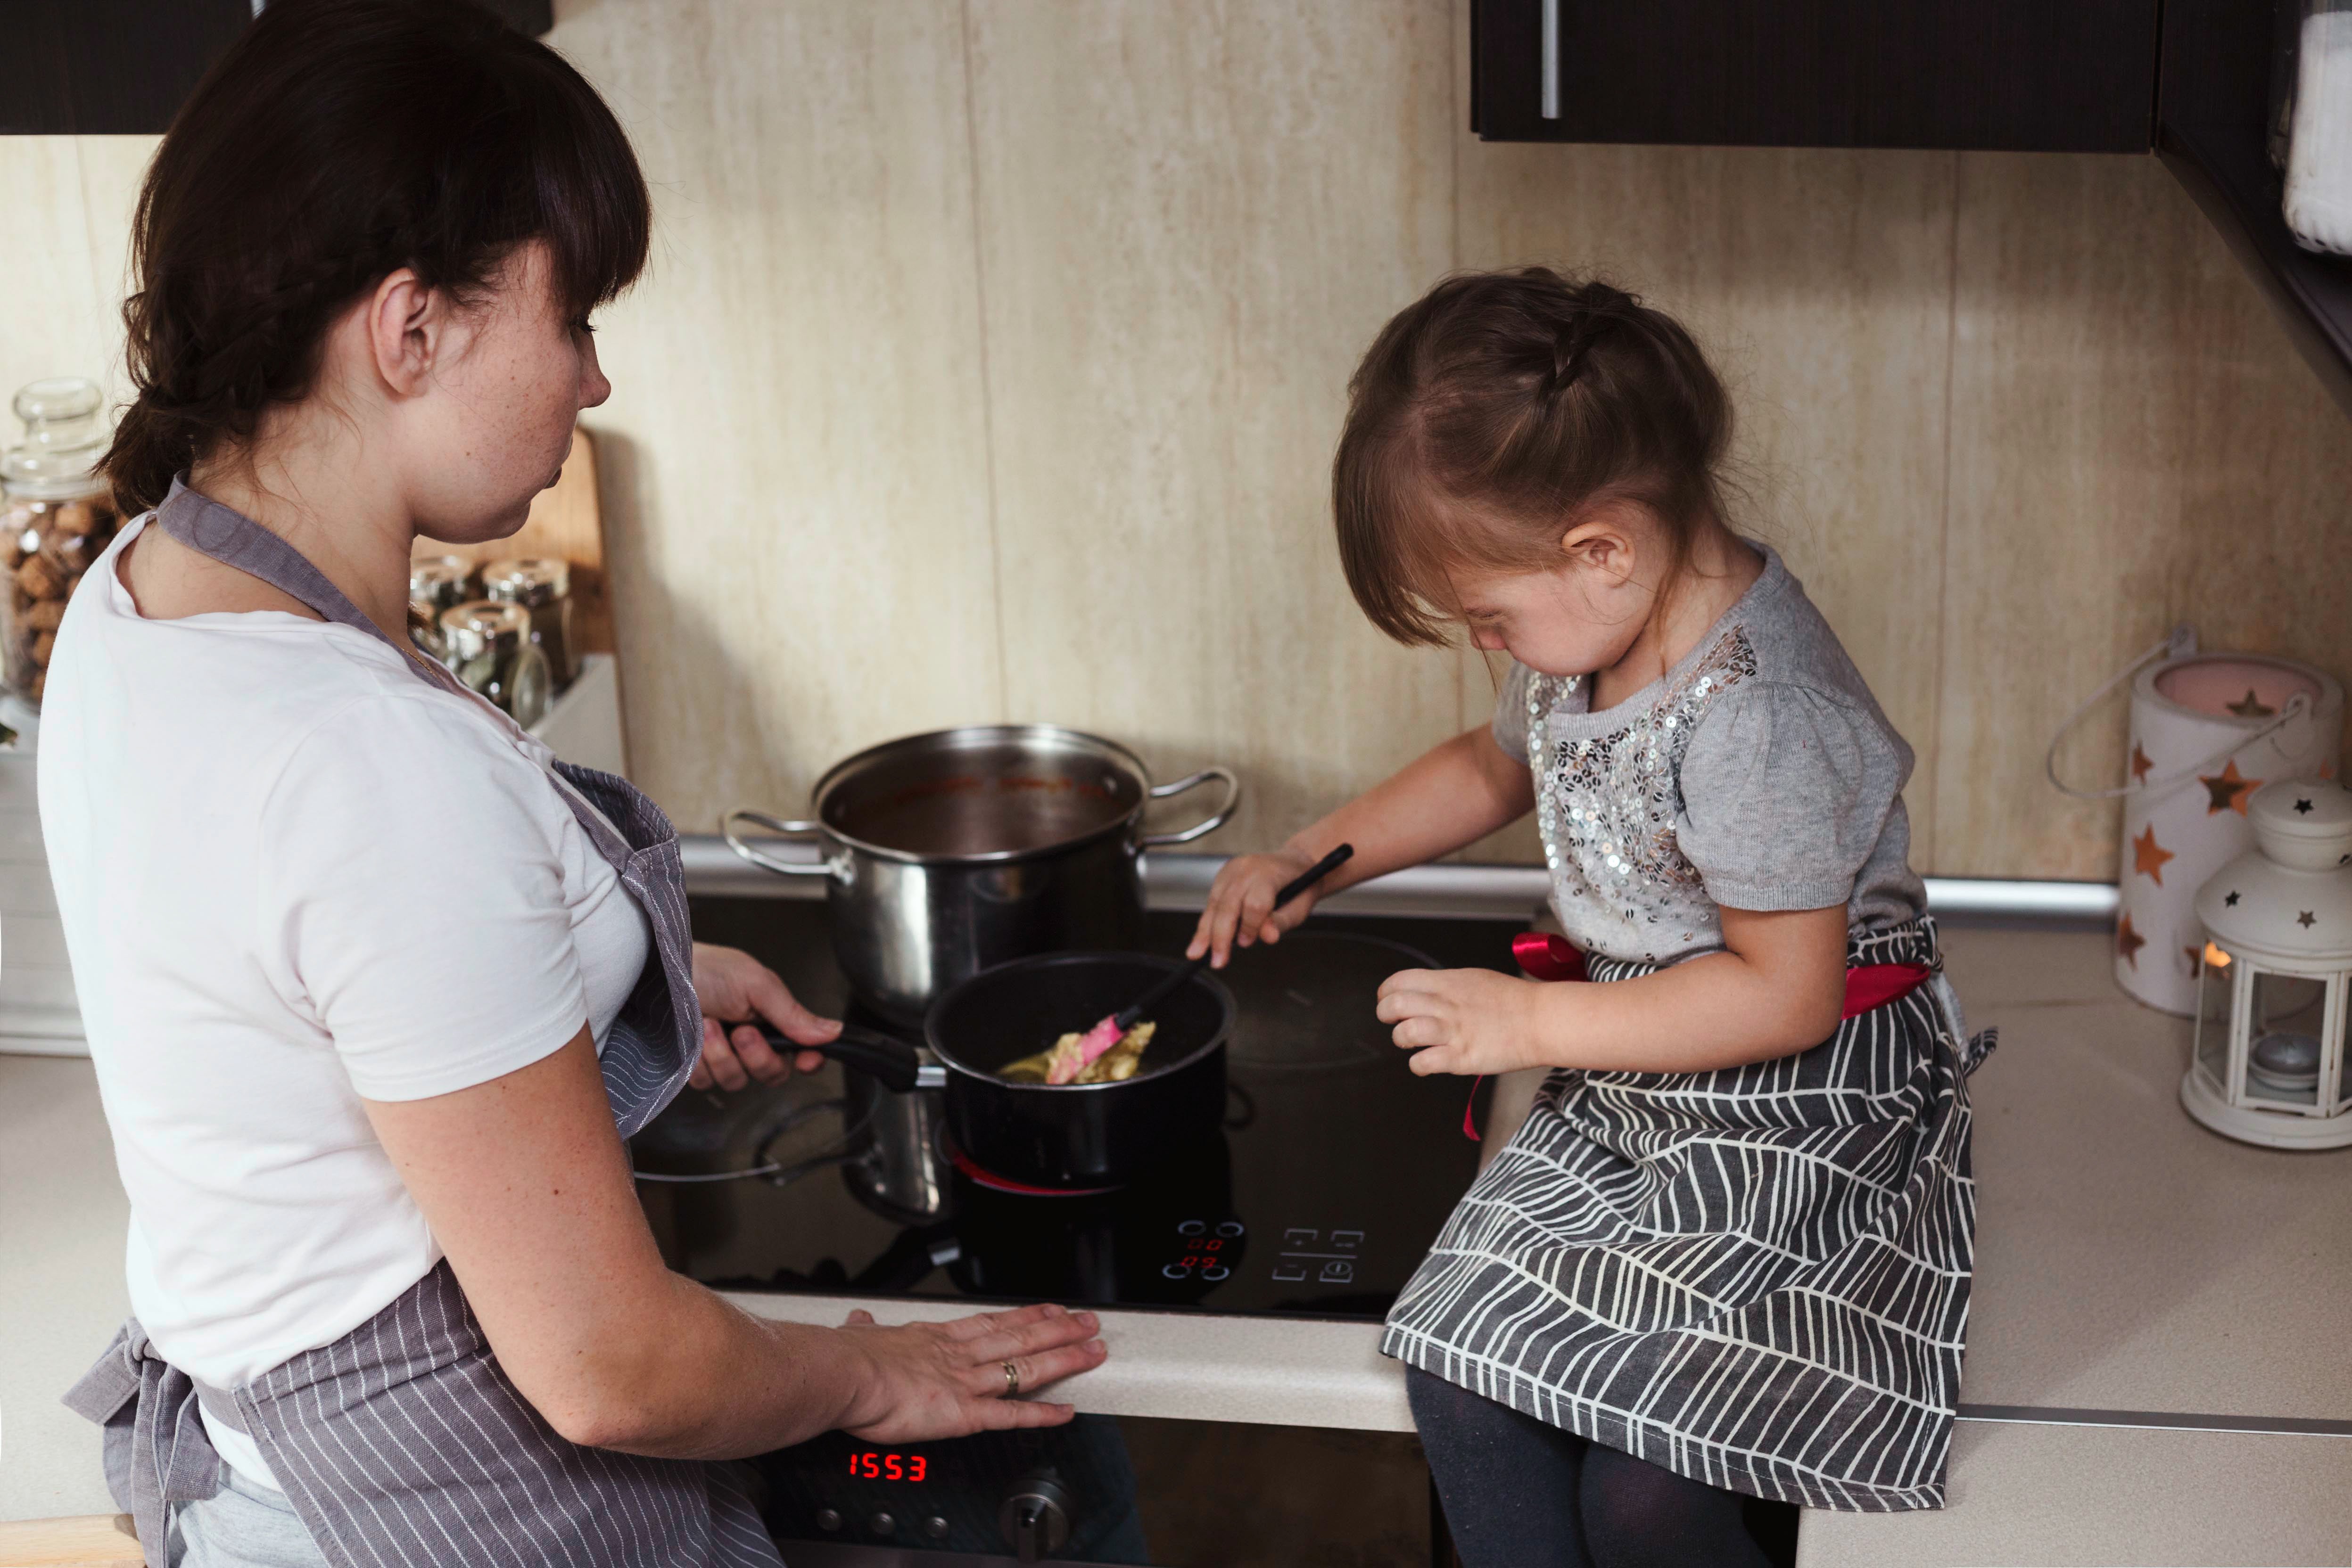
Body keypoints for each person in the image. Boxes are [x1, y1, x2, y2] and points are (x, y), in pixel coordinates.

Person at [42, 3, 1103, 1564]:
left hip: (268, 1484)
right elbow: (613, 1374)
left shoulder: (146, 584)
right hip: (433, 1512)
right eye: (575, 316)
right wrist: (864, 1373)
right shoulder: (364, 768)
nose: (594, 380)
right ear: (411, 331)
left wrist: (601, 975)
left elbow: (324, 983)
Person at [1189, 268, 1993, 1566]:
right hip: (1643, 1063)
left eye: (1488, 615)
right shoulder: (1601, 628)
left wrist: (1531, 1019)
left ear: (1600, 547)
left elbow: (1783, 994)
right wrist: (1313, 855)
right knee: (1459, 1374)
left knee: (1649, 1486)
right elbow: (1495, 766)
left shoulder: (1760, 719)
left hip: (1796, 1090)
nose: (1489, 648)